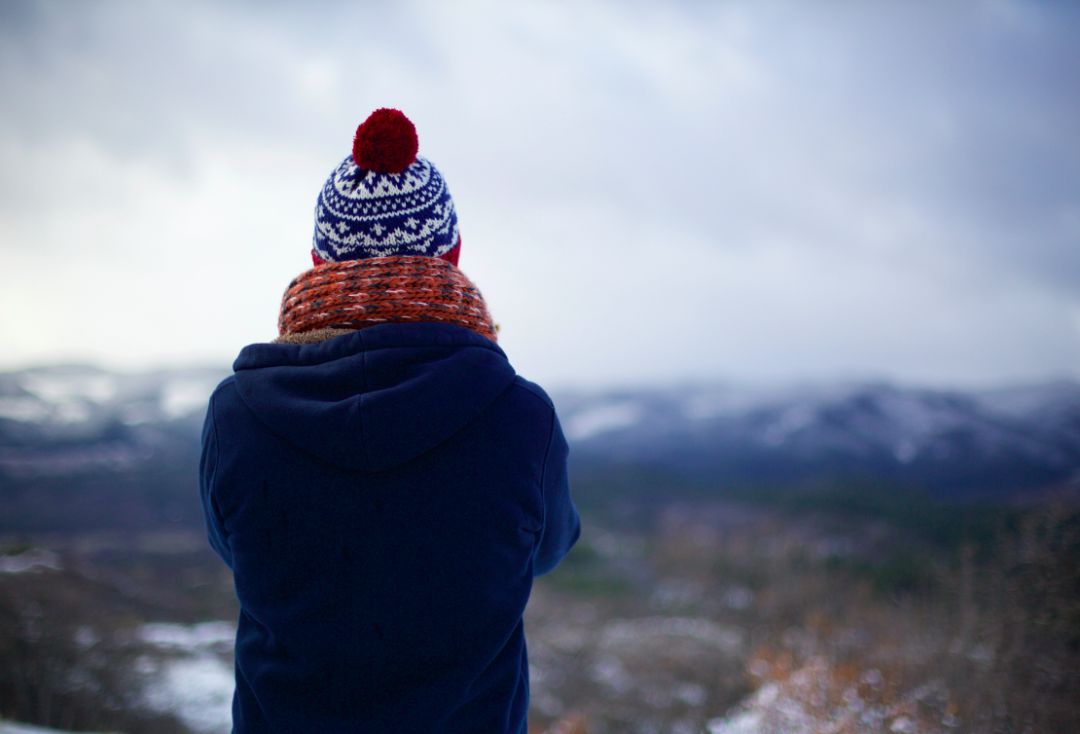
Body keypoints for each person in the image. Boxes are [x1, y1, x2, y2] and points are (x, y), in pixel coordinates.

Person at [198, 108, 582, 734]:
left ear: (319, 260)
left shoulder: (236, 414)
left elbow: (232, 547)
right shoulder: (521, 416)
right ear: (452, 256)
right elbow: (545, 550)